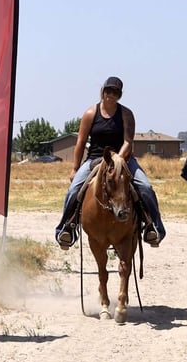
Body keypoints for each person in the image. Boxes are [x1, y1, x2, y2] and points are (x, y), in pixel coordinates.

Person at [55, 76, 166, 250]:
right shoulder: (91, 114)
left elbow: (128, 141)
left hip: (123, 159)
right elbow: (81, 142)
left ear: (120, 95)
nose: (111, 95)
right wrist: (75, 168)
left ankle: (154, 228)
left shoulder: (126, 114)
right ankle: (66, 228)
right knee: (74, 189)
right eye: (108, 91)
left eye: (116, 92)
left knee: (145, 187)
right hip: (95, 159)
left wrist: (119, 159)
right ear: (103, 91)